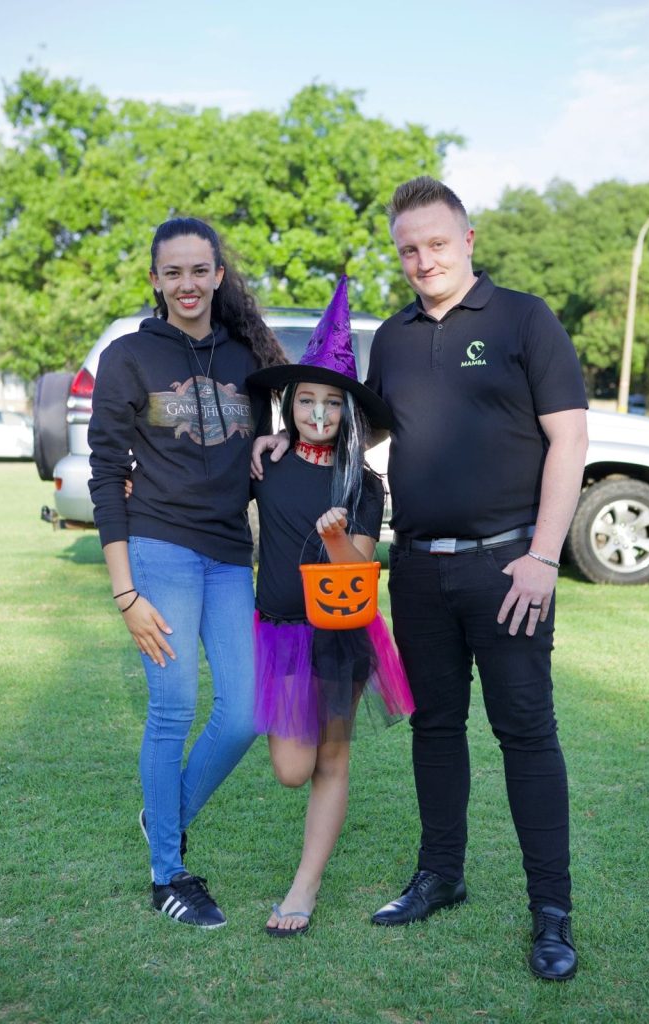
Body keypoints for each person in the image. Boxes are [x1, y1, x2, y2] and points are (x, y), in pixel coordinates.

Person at [252, 178, 588, 979]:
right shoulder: (395, 339)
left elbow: (570, 441)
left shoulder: (524, 319)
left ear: (467, 240)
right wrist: (280, 443)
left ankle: (551, 912)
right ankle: (441, 874)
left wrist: (544, 557)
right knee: (436, 728)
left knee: (525, 734)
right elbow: (351, 430)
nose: (423, 260)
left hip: (508, 567)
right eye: (408, 249)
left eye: (436, 243)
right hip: (416, 569)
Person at [88, 216, 286, 928]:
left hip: (230, 554)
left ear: (218, 274)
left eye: (199, 270)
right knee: (173, 708)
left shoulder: (247, 357)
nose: (188, 284)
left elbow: (262, 443)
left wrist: (269, 445)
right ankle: (168, 874)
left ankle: (162, 813)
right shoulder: (129, 356)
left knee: (246, 711)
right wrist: (126, 593)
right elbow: (105, 475)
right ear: (156, 280)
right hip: (159, 550)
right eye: (173, 272)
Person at [246, 276, 415, 936]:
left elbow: (357, 576)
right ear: (289, 405)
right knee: (293, 769)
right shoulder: (266, 463)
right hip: (280, 635)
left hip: (342, 638)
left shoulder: (363, 483)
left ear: (349, 413)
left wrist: (338, 537)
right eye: (307, 400)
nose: (318, 414)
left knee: (332, 760)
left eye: (332, 403)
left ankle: (304, 888)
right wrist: (259, 443)